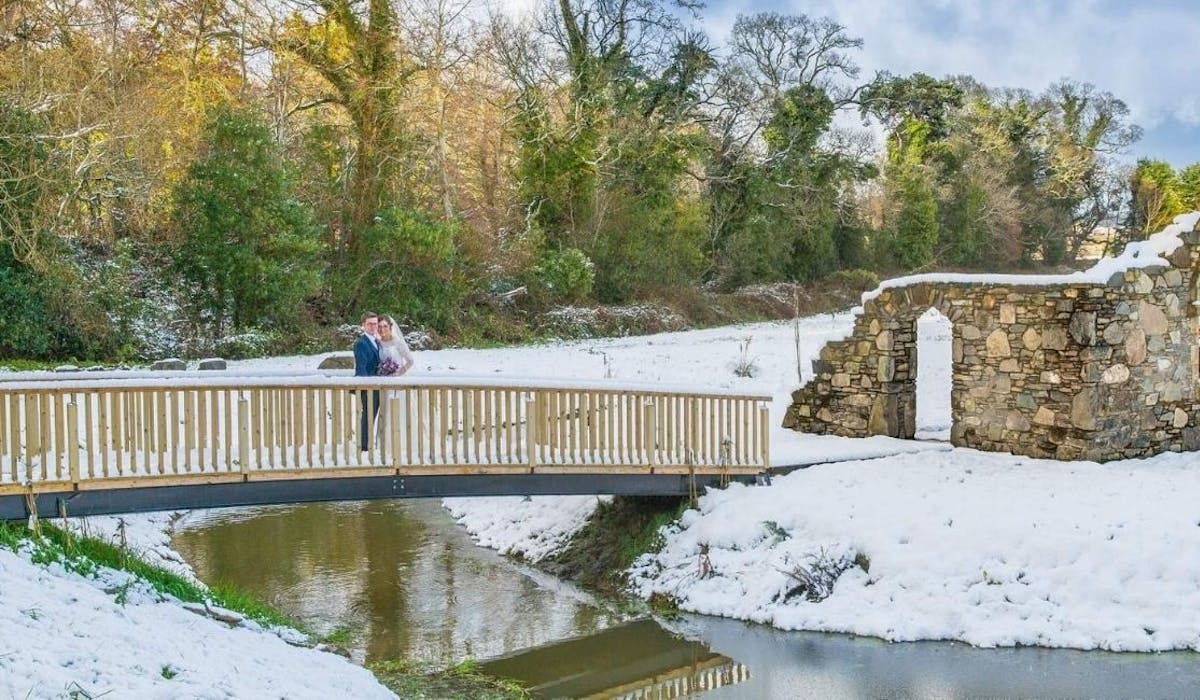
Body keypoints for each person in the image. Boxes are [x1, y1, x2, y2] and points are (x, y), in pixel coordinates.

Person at [375, 316, 415, 454]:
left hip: (397, 383)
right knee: (385, 412)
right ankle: (384, 444)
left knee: (398, 411)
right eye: (379, 327)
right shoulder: (378, 342)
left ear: (390, 327)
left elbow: (410, 361)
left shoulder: (397, 342)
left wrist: (398, 373)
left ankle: (400, 443)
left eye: (385, 326)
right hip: (384, 383)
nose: (382, 329)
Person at [353, 312, 381, 452]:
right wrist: (365, 387)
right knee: (368, 415)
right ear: (363, 325)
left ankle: (371, 443)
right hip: (368, 385)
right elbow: (361, 366)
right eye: (369, 324)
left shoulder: (377, 341)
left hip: (379, 385)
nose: (373, 326)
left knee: (374, 415)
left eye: (375, 323)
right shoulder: (361, 343)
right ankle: (364, 446)